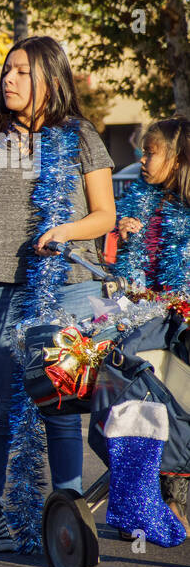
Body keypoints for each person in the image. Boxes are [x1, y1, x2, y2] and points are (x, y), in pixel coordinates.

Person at [0, 35, 116, 552]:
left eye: (21, 72)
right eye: (6, 71)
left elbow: (104, 215)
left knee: (60, 398)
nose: (8, 80)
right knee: (5, 401)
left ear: (51, 79)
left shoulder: (81, 137)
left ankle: (66, 515)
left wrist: (65, 233)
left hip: (71, 287)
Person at [113, 117, 190, 534]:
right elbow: (127, 268)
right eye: (142, 151)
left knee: (177, 408)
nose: (142, 160)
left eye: (151, 152)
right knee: (153, 404)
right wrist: (125, 235)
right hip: (149, 321)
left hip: (180, 324)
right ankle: (146, 499)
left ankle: (165, 502)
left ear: (177, 158)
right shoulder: (140, 199)